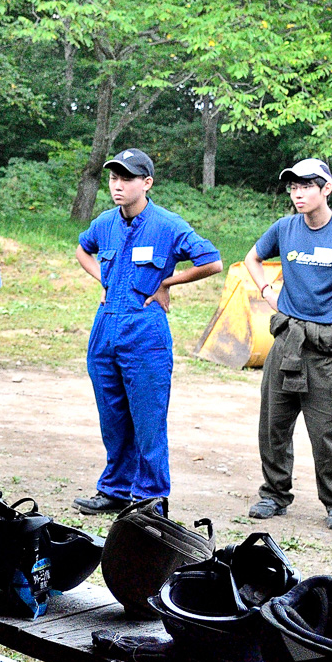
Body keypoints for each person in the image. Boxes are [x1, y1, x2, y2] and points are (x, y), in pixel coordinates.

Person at [70, 148, 222, 514]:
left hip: (145, 331)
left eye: (126, 179)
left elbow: (212, 262)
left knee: (148, 418)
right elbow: (82, 249)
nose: (117, 185)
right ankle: (116, 489)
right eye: (113, 178)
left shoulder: (167, 225)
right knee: (113, 416)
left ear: (147, 183)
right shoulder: (105, 222)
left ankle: (151, 497)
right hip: (105, 329)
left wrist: (167, 281)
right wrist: (102, 280)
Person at [244, 158, 332, 529]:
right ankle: (274, 494)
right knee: (274, 424)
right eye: (293, 187)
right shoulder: (284, 228)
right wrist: (268, 291)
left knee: (331, 428)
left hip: (327, 347)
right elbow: (252, 258)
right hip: (287, 338)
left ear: (326, 189)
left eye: (306, 186)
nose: (298, 194)